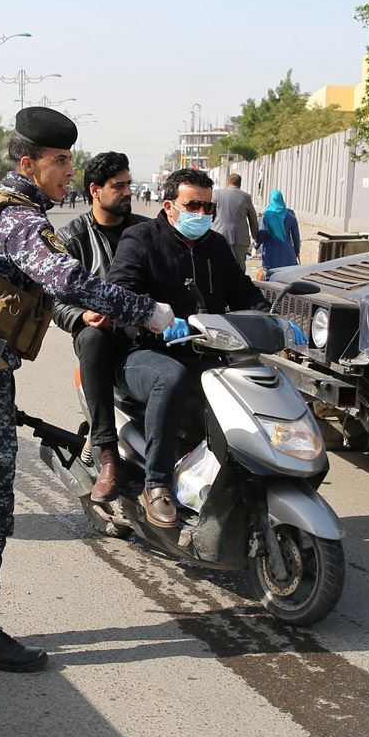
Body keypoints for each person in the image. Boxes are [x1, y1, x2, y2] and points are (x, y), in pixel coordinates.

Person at [0, 108, 174, 673]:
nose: (67, 171)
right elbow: (70, 281)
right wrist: (148, 311)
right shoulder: (20, 221)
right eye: (59, 161)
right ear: (27, 163)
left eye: (67, 160)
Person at [104, 168, 271, 527]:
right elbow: (118, 293)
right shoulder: (140, 239)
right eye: (191, 205)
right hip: (143, 355)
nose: (201, 214)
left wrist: (275, 321)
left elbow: (245, 293)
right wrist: (155, 319)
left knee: (254, 382)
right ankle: (156, 485)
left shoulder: (216, 247)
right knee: (173, 376)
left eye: (207, 207)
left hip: (205, 351)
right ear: (168, 205)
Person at [53, 151, 148, 501]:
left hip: (143, 329)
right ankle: (108, 454)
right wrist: (81, 316)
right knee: (92, 338)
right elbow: (52, 298)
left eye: (129, 185)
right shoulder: (72, 238)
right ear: (95, 190)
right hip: (101, 332)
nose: (127, 192)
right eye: (119, 186)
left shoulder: (144, 231)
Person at [212, 173, 259, 269]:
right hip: (240, 237)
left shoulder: (216, 194)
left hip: (220, 235)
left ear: (227, 182)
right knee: (240, 266)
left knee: (220, 264)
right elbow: (253, 219)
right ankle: (239, 284)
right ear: (239, 184)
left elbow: (209, 214)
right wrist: (255, 236)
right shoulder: (246, 197)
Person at [257, 188, 302, 271]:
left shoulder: (266, 215)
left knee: (270, 278)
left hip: (270, 252)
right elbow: (296, 235)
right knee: (287, 277)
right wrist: (296, 250)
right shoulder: (290, 214)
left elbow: (262, 234)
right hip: (287, 252)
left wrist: (257, 246)